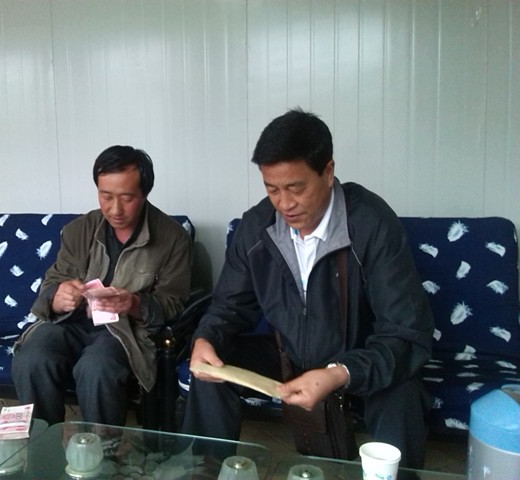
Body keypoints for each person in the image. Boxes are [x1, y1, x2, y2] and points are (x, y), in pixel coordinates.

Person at [181, 109, 434, 469]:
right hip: (289, 355)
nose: (284, 204)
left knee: (402, 392)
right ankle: (203, 473)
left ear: (328, 172)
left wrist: (339, 371)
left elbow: (406, 333)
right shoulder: (257, 228)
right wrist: (206, 338)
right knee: (214, 368)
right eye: (272, 189)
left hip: (360, 360)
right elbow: (228, 306)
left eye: (296, 188)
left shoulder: (372, 225)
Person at [12, 145, 193, 426]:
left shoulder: (173, 238)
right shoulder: (79, 230)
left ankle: (101, 449)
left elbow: (174, 303)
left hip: (125, 332)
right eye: (105, 196)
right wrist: (56, 298)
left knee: (97, 368)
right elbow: (52, 282)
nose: (115, 209)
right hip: (70, 324)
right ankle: (40, 443)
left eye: (127, 198)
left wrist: (134, 303)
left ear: (144, 193)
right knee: (32, 357)